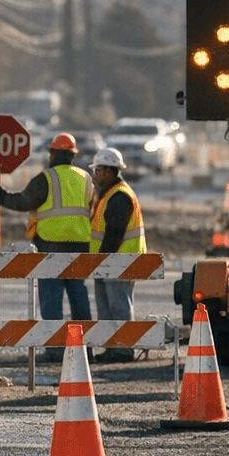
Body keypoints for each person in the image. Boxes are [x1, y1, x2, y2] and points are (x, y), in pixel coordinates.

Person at [0, 133, 93, 360]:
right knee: (78, 296)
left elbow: (24, 202)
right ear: (73, 155)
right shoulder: (86, 177)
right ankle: (86, 349)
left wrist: (1, 197)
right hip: (81, 245)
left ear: (54, 154)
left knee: (51, 298)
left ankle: (56, 350)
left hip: (51, 244)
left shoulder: (47, 178)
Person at [88, 147, 146, 363]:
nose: (95, 176)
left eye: (97, 170)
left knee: (118, 305)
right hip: (110, 262)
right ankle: (113, 348)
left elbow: (114, 233)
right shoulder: (110, 194)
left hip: (118, 262)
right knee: (107, 307)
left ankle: (123, 350)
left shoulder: (119, 196)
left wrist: (103, 259)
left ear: (108, 172)